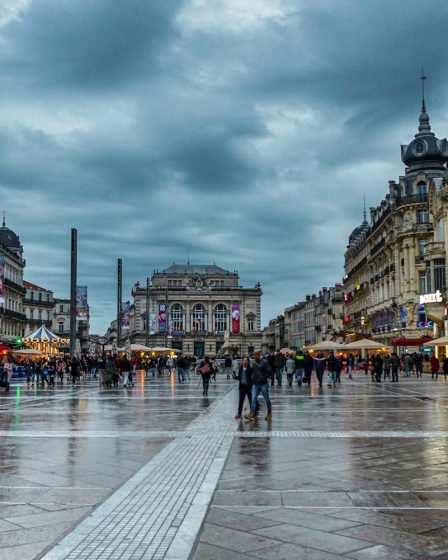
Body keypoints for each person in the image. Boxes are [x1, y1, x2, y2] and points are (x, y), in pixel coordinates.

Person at [244, 351, 272, 421]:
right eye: (254, 355)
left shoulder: (264, 362)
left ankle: (269, 413)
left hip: (263, 384)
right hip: (256, 384)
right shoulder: (253, 363)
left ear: (259, 355)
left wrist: (264, 377)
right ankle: (252, 413)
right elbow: (252, 371)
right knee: (253, 399)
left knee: (267, 399)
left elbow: (269, 371)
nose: (255, 356)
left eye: (256, 355)